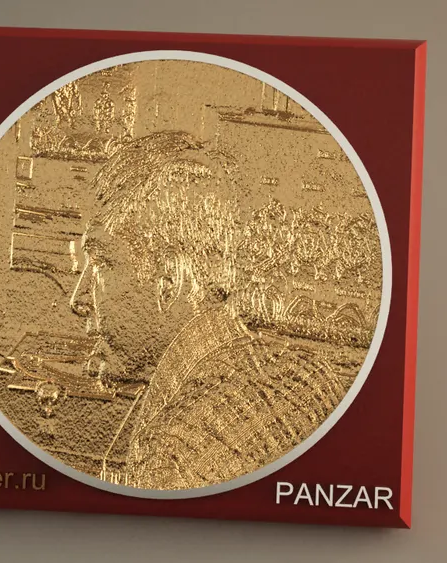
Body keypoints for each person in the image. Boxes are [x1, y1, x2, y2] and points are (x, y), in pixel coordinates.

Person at [69, 131, 352, 490]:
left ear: (169, 279)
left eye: (100, 263)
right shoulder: (307, 374)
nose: (78, 299)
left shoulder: (175, 455)